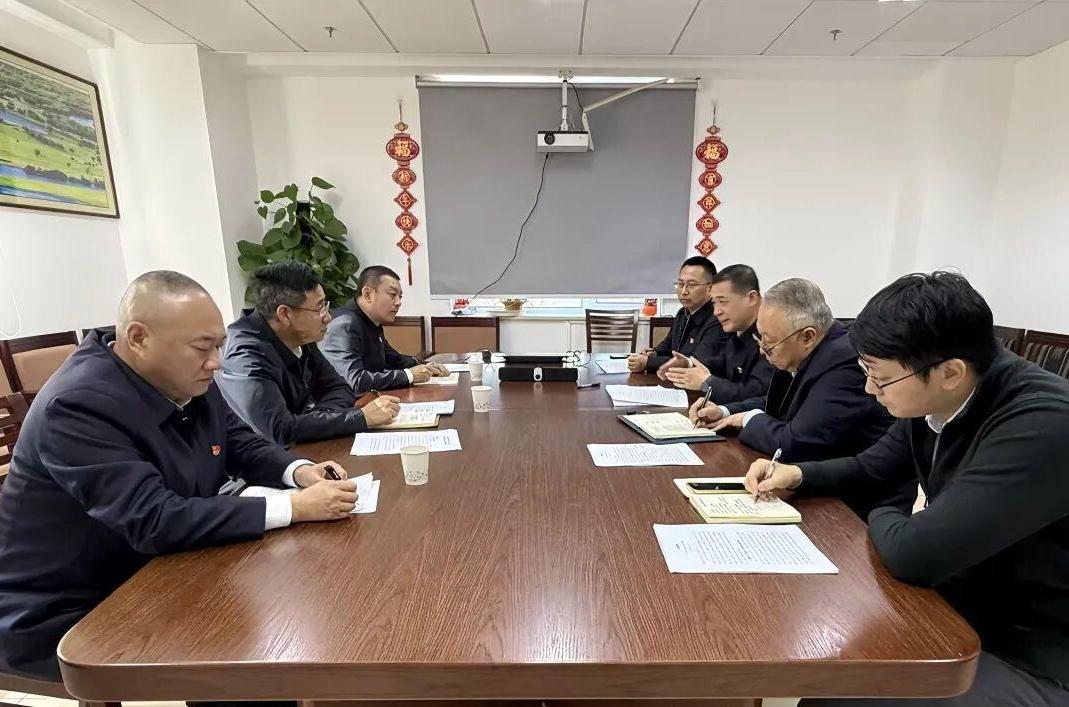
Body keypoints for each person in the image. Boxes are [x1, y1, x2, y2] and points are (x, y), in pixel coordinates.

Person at [0, 271, 360, 682]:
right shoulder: (77, 405)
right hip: (67, 610)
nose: (216, 362)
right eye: (203, 348)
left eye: (219, 345)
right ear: (138, 338)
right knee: (243, 648)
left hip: (155, 568)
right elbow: (153, 519)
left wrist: (299, 472)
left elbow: (237, 441)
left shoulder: (180, 373)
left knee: (285, 603)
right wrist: (293, 507)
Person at [746, 272, 1069, 706]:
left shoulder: (1042, 424)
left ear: (949, 372)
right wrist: (798, 475)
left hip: (1036, 655)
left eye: (879, 378)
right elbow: (874, 468)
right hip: (963, 606)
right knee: (830, 671)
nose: (869, 390)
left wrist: (887, 513)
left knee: (843, 692)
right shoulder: (938, 396)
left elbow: (914, 555)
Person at [691, 278, 895, 468]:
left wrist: (746, 419)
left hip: (851, 489)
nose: (762, 351)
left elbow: (794, 444)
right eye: (760, 338)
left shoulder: (844, 363)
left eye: (769, 343)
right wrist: (725, 411)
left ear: (807, 337)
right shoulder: (812, 350)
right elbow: (782, 404)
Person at [218, 261, 399, 446]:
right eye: (319, 308)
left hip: (302, 448)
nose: (328, 317)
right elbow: (279, 430)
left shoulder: (300, 336)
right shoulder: (245, 356)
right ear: (285, 314)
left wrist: (318, 418)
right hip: (260, 458)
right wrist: (359, 418)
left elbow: (340, 388)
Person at [322, 265, 448, 394]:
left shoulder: (371, 320)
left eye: (400, 296)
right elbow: (354, 381)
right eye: (392, 294)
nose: (398, 302)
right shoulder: (344, 325)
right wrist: (409, 375)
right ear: (367, 294)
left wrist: (427, 366)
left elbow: (392, 358)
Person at [662, 264, 773, 403]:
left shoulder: (771, 334)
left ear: (751, 298)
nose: (716, 312)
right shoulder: (736, 329)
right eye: (714, 303)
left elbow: (756, 394)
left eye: (723, 302)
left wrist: (707, 382)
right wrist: (689, 364)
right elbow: (720, 361)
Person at [627, 256, 730, 375]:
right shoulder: (682, 313)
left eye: (691, 285)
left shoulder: (718, 318)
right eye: (680, 284)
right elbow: (667, 347)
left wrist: (649, 362)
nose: (684, 291)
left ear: (710, 288)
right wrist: (653, 353)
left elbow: (696, 363)